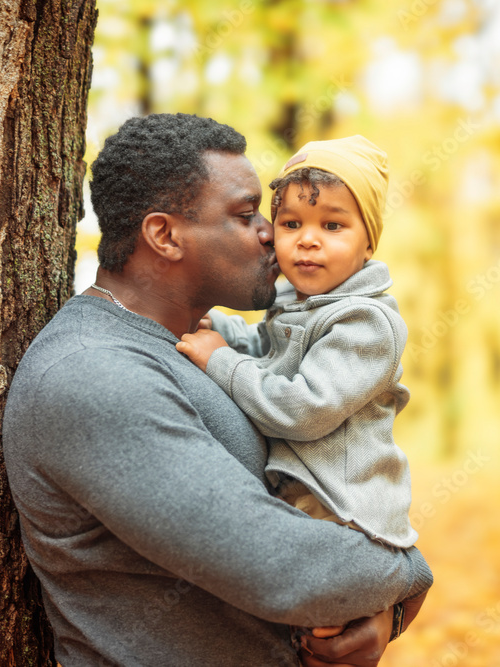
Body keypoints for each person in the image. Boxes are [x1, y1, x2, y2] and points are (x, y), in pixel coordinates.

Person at [2, 114, 431, 667]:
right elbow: (279, 568)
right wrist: (408, 573)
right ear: (164, 236)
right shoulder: (94, 374)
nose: (270, 234)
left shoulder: (194, 347)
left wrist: (380, 612)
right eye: (246, 214)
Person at [176, 136, 415, 557]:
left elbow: (303, 409)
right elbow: (271, 353)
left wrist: (220, 361)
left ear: (369, 242)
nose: (307, 239)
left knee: (314, 608)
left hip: (343, 511)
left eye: (332, 225)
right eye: (291, 224)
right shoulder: (294, 303)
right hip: (301, 498)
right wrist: (226, 332)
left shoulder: (366, 322)